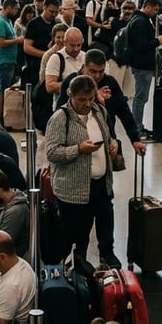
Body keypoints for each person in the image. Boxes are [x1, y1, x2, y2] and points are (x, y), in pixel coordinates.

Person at [46, 75, 121, 268]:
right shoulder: (60, 118)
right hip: (74, 190)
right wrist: (78, 149)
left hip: (102, 184)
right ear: (70, 95)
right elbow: (52, 152)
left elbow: (109, 136)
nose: (87, 104)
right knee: (77, 235)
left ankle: (107, 255)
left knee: (106, 224)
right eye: (82, 100)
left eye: (91, 98)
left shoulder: (100, 111)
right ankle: (76, 266)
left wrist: (112, 145)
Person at [126, 0, 162, 137]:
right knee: (140, 98)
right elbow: (141, 45)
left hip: (141, 64)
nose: (156, 12)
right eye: (155, 9)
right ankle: (137, 128)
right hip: (142, 65)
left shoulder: (139, 19)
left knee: (141, 97)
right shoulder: (140, 22)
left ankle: (138, 125)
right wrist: (157, 41)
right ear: (148, 6)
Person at [0, 0, 23, 119]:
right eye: (15, 9)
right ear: (8, 7)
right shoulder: (0, 22)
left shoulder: (7, 20)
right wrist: (17, 40)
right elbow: (0, 42)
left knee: (4, 90)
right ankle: (0, 118)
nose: (16, 12)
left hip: (8, 61)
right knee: (3, 91)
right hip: (3, 62)